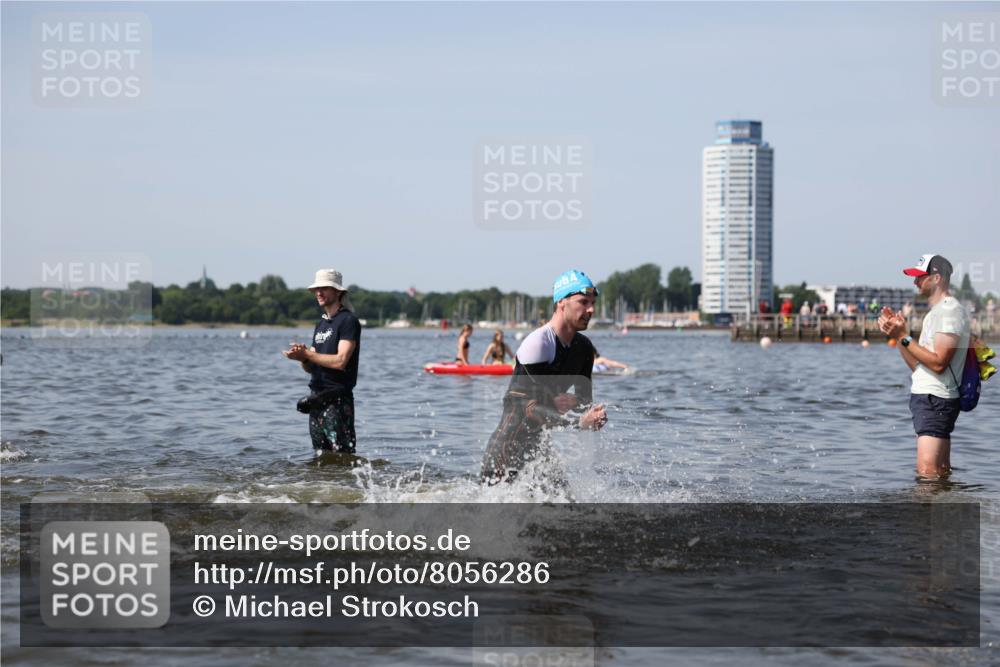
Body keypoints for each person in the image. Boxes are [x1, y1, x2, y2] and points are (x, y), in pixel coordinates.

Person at [480, 269, 608, 484]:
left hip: (539, 453)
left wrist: (590, 414)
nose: (591, 310)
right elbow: (527, 408)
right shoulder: (539, 343)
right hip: (506, 452)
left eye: (593, 303)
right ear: (561, 302)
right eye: (583, 302)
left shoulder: (584, 348)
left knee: (570, 509)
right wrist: (578, 422)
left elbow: (584, 401)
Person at [878, 254, 970, 479]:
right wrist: (899, 335)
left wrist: (905, 336)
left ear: (936, 278)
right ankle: (939, 512)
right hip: (930, 397)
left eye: (920, 277)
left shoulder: (949, 312)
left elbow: (939, 362)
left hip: (936, 399)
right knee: (938, 473)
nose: (915, 282)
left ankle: (927, 514)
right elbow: (920, 367)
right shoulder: (937, 313)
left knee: (928, 473)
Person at [283, 269, 362, 454]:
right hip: (315, 400)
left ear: (338, 292)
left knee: (342, 457)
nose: (319, 293)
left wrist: (308, 355)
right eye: (317, 289)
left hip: (338, 401)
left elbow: (340, 361)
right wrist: (302, 358)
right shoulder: (321, 324)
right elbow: (312, 367)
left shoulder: (348, 321)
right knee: (321, 458)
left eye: (325, 288)